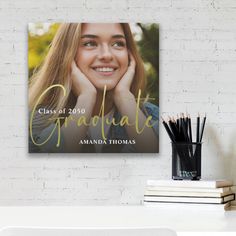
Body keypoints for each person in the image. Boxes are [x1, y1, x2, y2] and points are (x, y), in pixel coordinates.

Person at [29, 23, 159, 153]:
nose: (107, 55)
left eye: (117, 44)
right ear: (67, 54)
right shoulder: (36, 119)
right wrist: (86, 98)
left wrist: (124, 98)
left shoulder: (153, 116)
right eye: (90, 43)